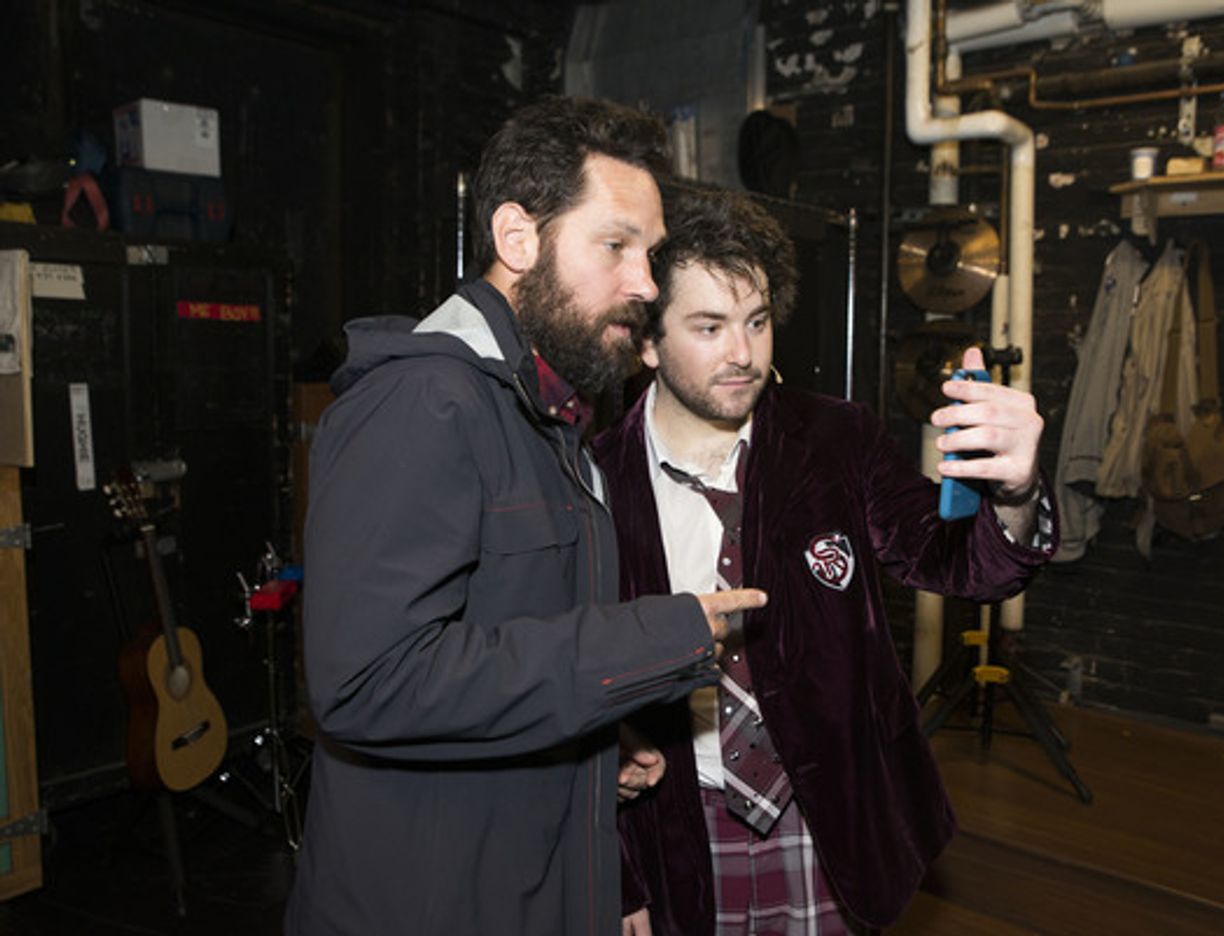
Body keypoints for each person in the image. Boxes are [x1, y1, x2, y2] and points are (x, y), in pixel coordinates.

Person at [284, 98, 766, 936]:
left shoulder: (545, 416)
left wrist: (586, 755)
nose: (644, 285)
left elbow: (498, 649)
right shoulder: (423, 402)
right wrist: (651, 644)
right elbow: (368, 684)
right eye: (615, 246)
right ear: (517, 239)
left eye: (648, 256)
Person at [593, 189, 1057, 935]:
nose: (743, 353)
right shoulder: (595, 481)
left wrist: (1016, 490)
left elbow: (966, 567)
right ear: (646, 341)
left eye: (757, 322)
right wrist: (616, 883)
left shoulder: (836, 440)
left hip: (826, 821)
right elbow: (579, 699)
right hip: (676, 826)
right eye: (709, 327)